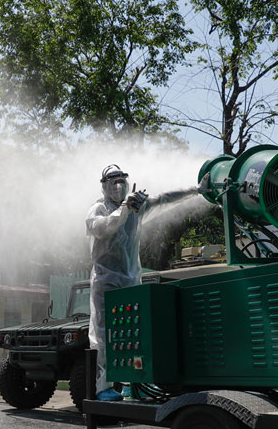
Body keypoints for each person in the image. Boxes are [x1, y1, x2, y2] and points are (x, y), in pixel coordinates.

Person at [85, 164, 210, 401]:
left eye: (122, 181)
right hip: (106, 280)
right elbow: (104, 229)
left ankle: (135, 383)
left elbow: (165, 198)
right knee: (104, 336)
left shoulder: (136, 206)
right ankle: (103, 388)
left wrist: (196, 190)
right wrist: (125, 208)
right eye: (113, 182)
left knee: (134, 333)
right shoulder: (98, 208)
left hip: (131, 278)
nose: (119, 186)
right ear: (104, 186)